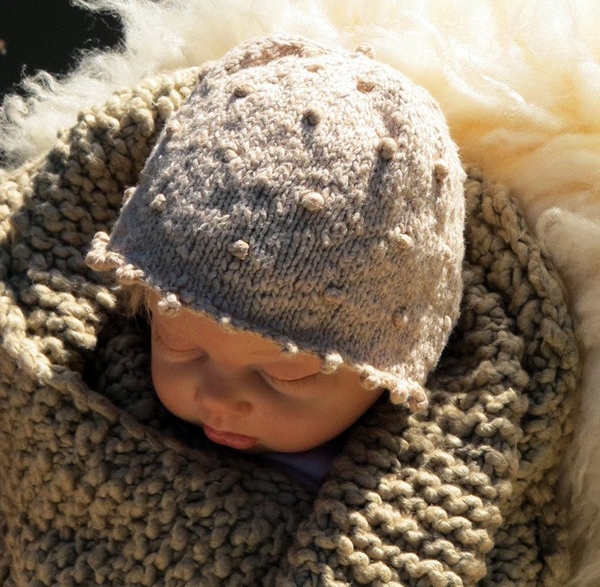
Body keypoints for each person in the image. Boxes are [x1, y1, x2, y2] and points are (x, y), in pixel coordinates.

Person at [85, 34, 465, 489]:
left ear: (388, 372)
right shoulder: (92, 396)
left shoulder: (418, 490)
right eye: (178, 345)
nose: (217, 398)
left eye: (284, 373)